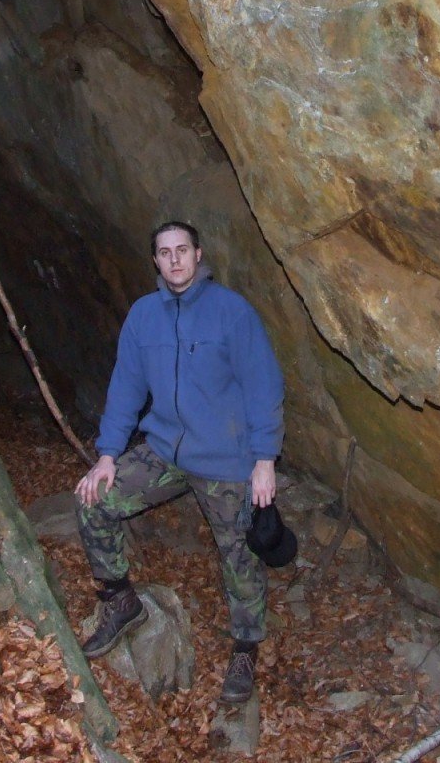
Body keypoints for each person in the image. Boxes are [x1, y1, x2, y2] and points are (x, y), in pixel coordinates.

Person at [74, 219, 285, 704]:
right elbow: (126, 386)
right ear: (155, 260)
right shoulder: (143, 316)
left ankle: (246, 647)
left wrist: (264, 459)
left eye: (182, 250)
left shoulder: (231, 312)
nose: (174, 259)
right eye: (165, 252)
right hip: (166, 449)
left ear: (198, 253)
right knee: (92, 501)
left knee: (242, 556)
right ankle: (120, 600)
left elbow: (263, 385)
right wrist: (107, 456)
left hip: (227, 458)